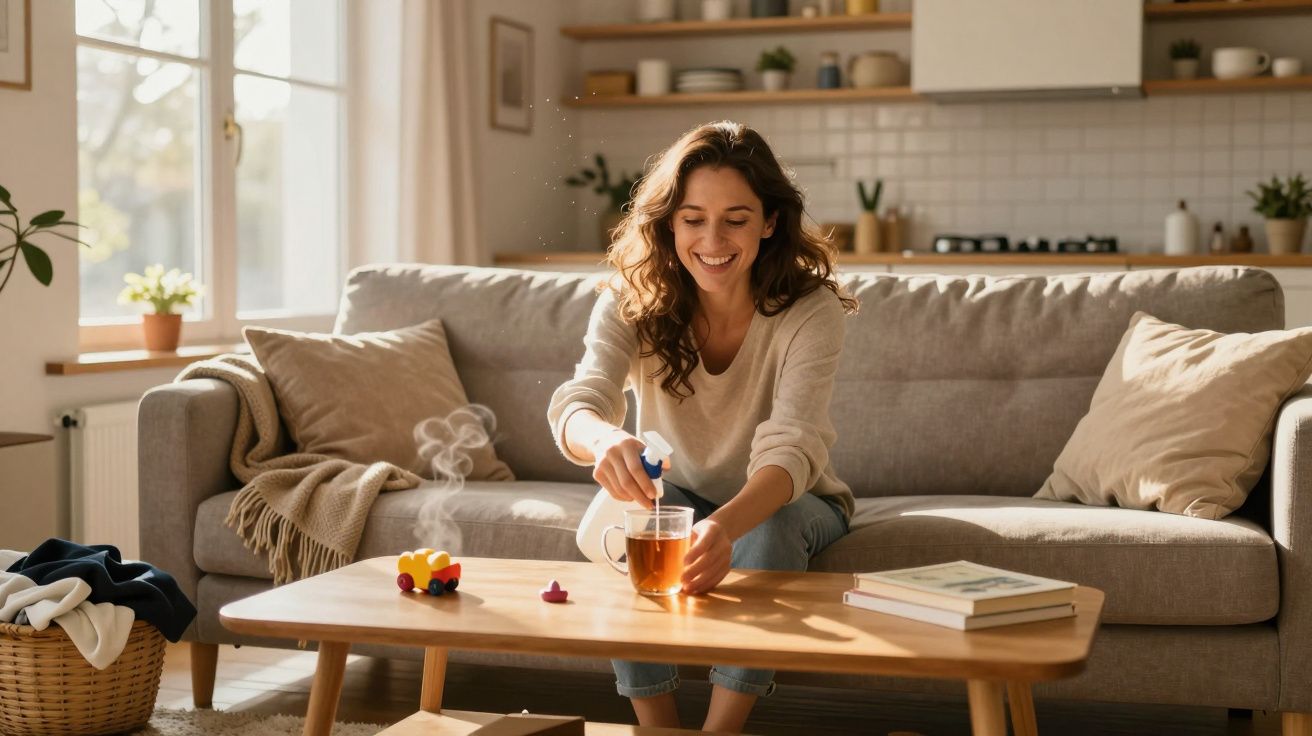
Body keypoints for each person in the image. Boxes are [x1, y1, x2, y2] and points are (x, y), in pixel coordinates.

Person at [546, 120, 858, 733]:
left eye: (735, 219)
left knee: (766, 534)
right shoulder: (630, 298)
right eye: (692, 218)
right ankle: (656, 725)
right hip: (679, 493)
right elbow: (581, 400)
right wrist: (605, 439)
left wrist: (724, 527)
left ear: (770, 221)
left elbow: (792, 447)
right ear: (669, 224)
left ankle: (721, 731)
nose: (712, 239)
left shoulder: (810, 311)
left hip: (796, 500)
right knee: (624, 525)